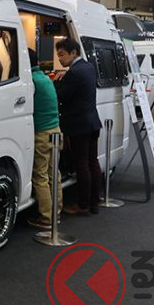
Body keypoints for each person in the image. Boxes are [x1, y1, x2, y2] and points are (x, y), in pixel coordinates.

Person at [53, 38, 102, 216]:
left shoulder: (74, 72)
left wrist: (56, 82)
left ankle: (83, 205)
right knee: (92, 162)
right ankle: (94, 202)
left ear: (73, 53)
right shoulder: (88, 67)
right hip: (92, 122)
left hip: (79, 125)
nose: (59, 59)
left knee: (82, 164)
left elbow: (61, 95)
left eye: (62, 55)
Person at [26, 49, 63, 229]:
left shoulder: (31, 81)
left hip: (41, 133)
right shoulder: (45, 78)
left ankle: (47, 218)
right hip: (55, 130)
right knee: (54, 174)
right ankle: (56, 212)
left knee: (40, 176)